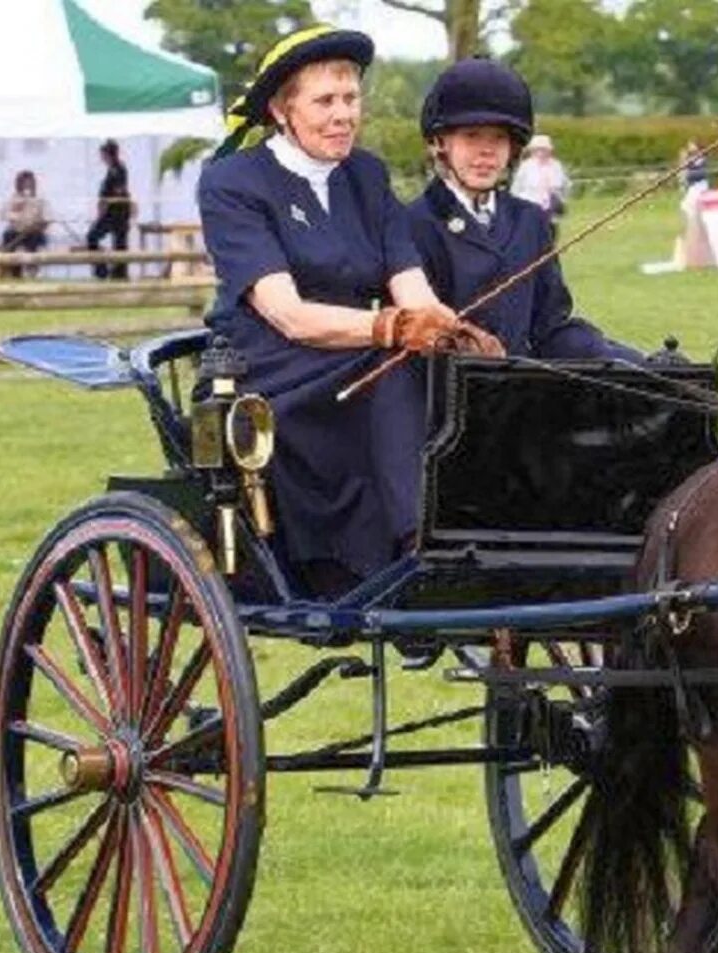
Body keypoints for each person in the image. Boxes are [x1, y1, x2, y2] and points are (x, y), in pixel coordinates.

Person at [198, 25, 499, 596]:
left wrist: (450, 329)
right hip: (269, 366)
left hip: (356, 348)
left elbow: (409, 282)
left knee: (461, 372)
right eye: (325, 102)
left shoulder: (367, 174)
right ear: (283, 110)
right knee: (396, 372)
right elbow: (287, 314)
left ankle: (484, 530)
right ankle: (416, 549)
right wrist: (393, 327)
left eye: (351, 99)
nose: (343, 115)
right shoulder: (232, 182)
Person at [407, 58, 640, 362]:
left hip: (520, 399)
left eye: (499, 138)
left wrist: (630, 361)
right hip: (443, 399)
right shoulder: (414, 223)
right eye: (472, 136)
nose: (486, 152)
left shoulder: (530, 220)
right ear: (440, 143)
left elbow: (550, 327)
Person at [87, 140, 132, 280]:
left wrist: (104, 205)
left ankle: (112, 273)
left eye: (103, 154)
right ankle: (107, 271)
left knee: (95, 237)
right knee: (115, 243)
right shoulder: (112, 169)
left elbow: (118, 192)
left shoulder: (118, 170)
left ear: (108, 154)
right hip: (112, 212)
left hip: (117, 213)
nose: (101, 157)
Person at [509, 132, 570, 235]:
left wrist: (561, 200)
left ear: (549, 150)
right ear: (532, 151)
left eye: (543, 149)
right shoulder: (526, 166)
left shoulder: (556, 166)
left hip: (550, 210)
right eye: (537, 149)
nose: (540, 153)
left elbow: (565, 186)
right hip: (530, 207)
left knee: (550, 236)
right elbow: (516, 189)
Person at [1, 171, 50, 270]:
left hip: (35, 231)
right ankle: (13, 270)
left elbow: (47, 219)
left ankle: (32, 268)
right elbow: (6, 215)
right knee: (7, 235)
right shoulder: (13, 199)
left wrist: (37, 226)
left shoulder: (40, 199)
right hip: (17, 231)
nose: (26, 185)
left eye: (29, 182)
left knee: (33, 239)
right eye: (24, 183)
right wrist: (17, 209)